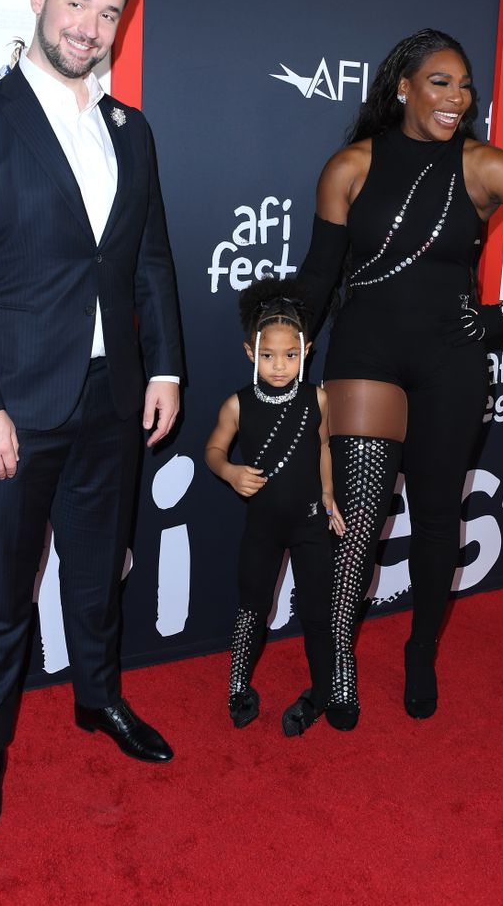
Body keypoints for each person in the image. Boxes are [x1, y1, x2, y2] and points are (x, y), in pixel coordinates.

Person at [0, 0, 183, 837]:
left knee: (96, 576)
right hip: (16, 407)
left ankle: (97, 699)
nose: (91, 26)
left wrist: (166, 368)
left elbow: (149, 259)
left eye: (110, 12)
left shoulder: (130, 128)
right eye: (77, 3)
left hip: (114, 400)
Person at [296, 28, 503, 731]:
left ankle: (419, 651)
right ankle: (338, 662)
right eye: (439, 82)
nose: (456, 98)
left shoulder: (483, 165)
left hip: (449, 364)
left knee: (433, 519)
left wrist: (501, 318)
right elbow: (318, 278)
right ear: (402, 86)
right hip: (364, 354)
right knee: (355, 520)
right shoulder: (350, 167)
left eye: (463, 87)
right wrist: (281, 348)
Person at [205, 277, 346, 736]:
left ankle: (321, 692)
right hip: (262, 528)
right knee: (251, 608)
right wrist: (229, 472)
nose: (280, 366)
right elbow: (213, 451)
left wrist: (328, 496)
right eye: (268, 356)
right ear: (251, 353)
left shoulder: (317, 399)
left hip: (310, 524)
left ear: (305, 351)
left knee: (315, 612)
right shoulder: (238, 405)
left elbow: (324, 447)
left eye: (290, 355)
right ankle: (237, 688)